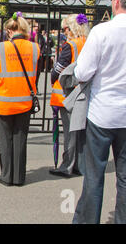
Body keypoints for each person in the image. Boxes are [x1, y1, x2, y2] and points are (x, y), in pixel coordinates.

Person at [72, 0, 126, 224]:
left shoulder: (102, 32)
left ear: (116, 2)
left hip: (101, 113)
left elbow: (82, 72)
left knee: (94, 175)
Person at [0, 12, 40, 186]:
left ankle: (6, 175)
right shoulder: (35, 48)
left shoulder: (2, 47)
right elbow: (36, 74)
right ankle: (19, 177)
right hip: (24, 99)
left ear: (10, 31)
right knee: (20, 139)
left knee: (6, 139)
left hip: (4, 99)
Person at [49, 14, 88, 178]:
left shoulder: (70, 45)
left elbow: (58, 70)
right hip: (85, 92)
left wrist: (52, 78)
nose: (64, 32)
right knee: (81, 132)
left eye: (65, 28)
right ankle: (80, 164)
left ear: (72, 28)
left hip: (67, 95)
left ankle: (67, 165)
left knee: (69, 132)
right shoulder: (89, 42)